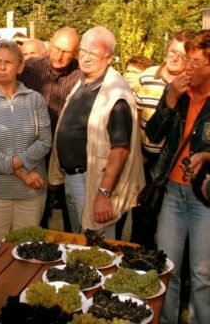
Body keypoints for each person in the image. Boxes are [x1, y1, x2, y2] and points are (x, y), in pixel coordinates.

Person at [49, 26, 145, 239]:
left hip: (93, 182)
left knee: (97, 246)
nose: (85, 57)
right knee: (79, 241)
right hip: (74, 178)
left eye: (93, 53)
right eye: (83, 51)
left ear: (109, 57)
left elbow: (120, 150)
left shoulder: (115, 93)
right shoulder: (85, 81)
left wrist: (104, 194)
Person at [145, 29, 210, 324]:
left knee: (202, 274)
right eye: (187, 60)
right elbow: (153, 133)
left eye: (196, 63)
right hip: (171, 191)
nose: (188, 68)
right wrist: (170, 97)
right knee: (166, 267)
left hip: (204, 200)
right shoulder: (178, 92)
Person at [0, 40, 52, 240]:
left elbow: (45, 141)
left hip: (31, 194)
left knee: (27, 250)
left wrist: (16, 163)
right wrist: (22, 173)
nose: (2, 67)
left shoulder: (35, 100)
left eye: (8, 62)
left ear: (20, 66)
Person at [132, 30, 195, 247]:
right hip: (143, 157)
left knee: (168, 224)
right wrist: (138, 152)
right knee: (142, 216)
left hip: (169, 164)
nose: (175, 57)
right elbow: (138, 116)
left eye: (183, 55)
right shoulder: (147, 76)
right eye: (172, 51)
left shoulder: (190, 85)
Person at [19, 26, 81, 231]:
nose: (59, 55)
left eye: (67, 52)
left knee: (69, 211)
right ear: (50, 44)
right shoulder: (29, 68)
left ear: (76, 53)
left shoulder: (82, 74)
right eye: (56, 48)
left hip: (65, 154)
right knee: (37, 211)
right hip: (33, 151)